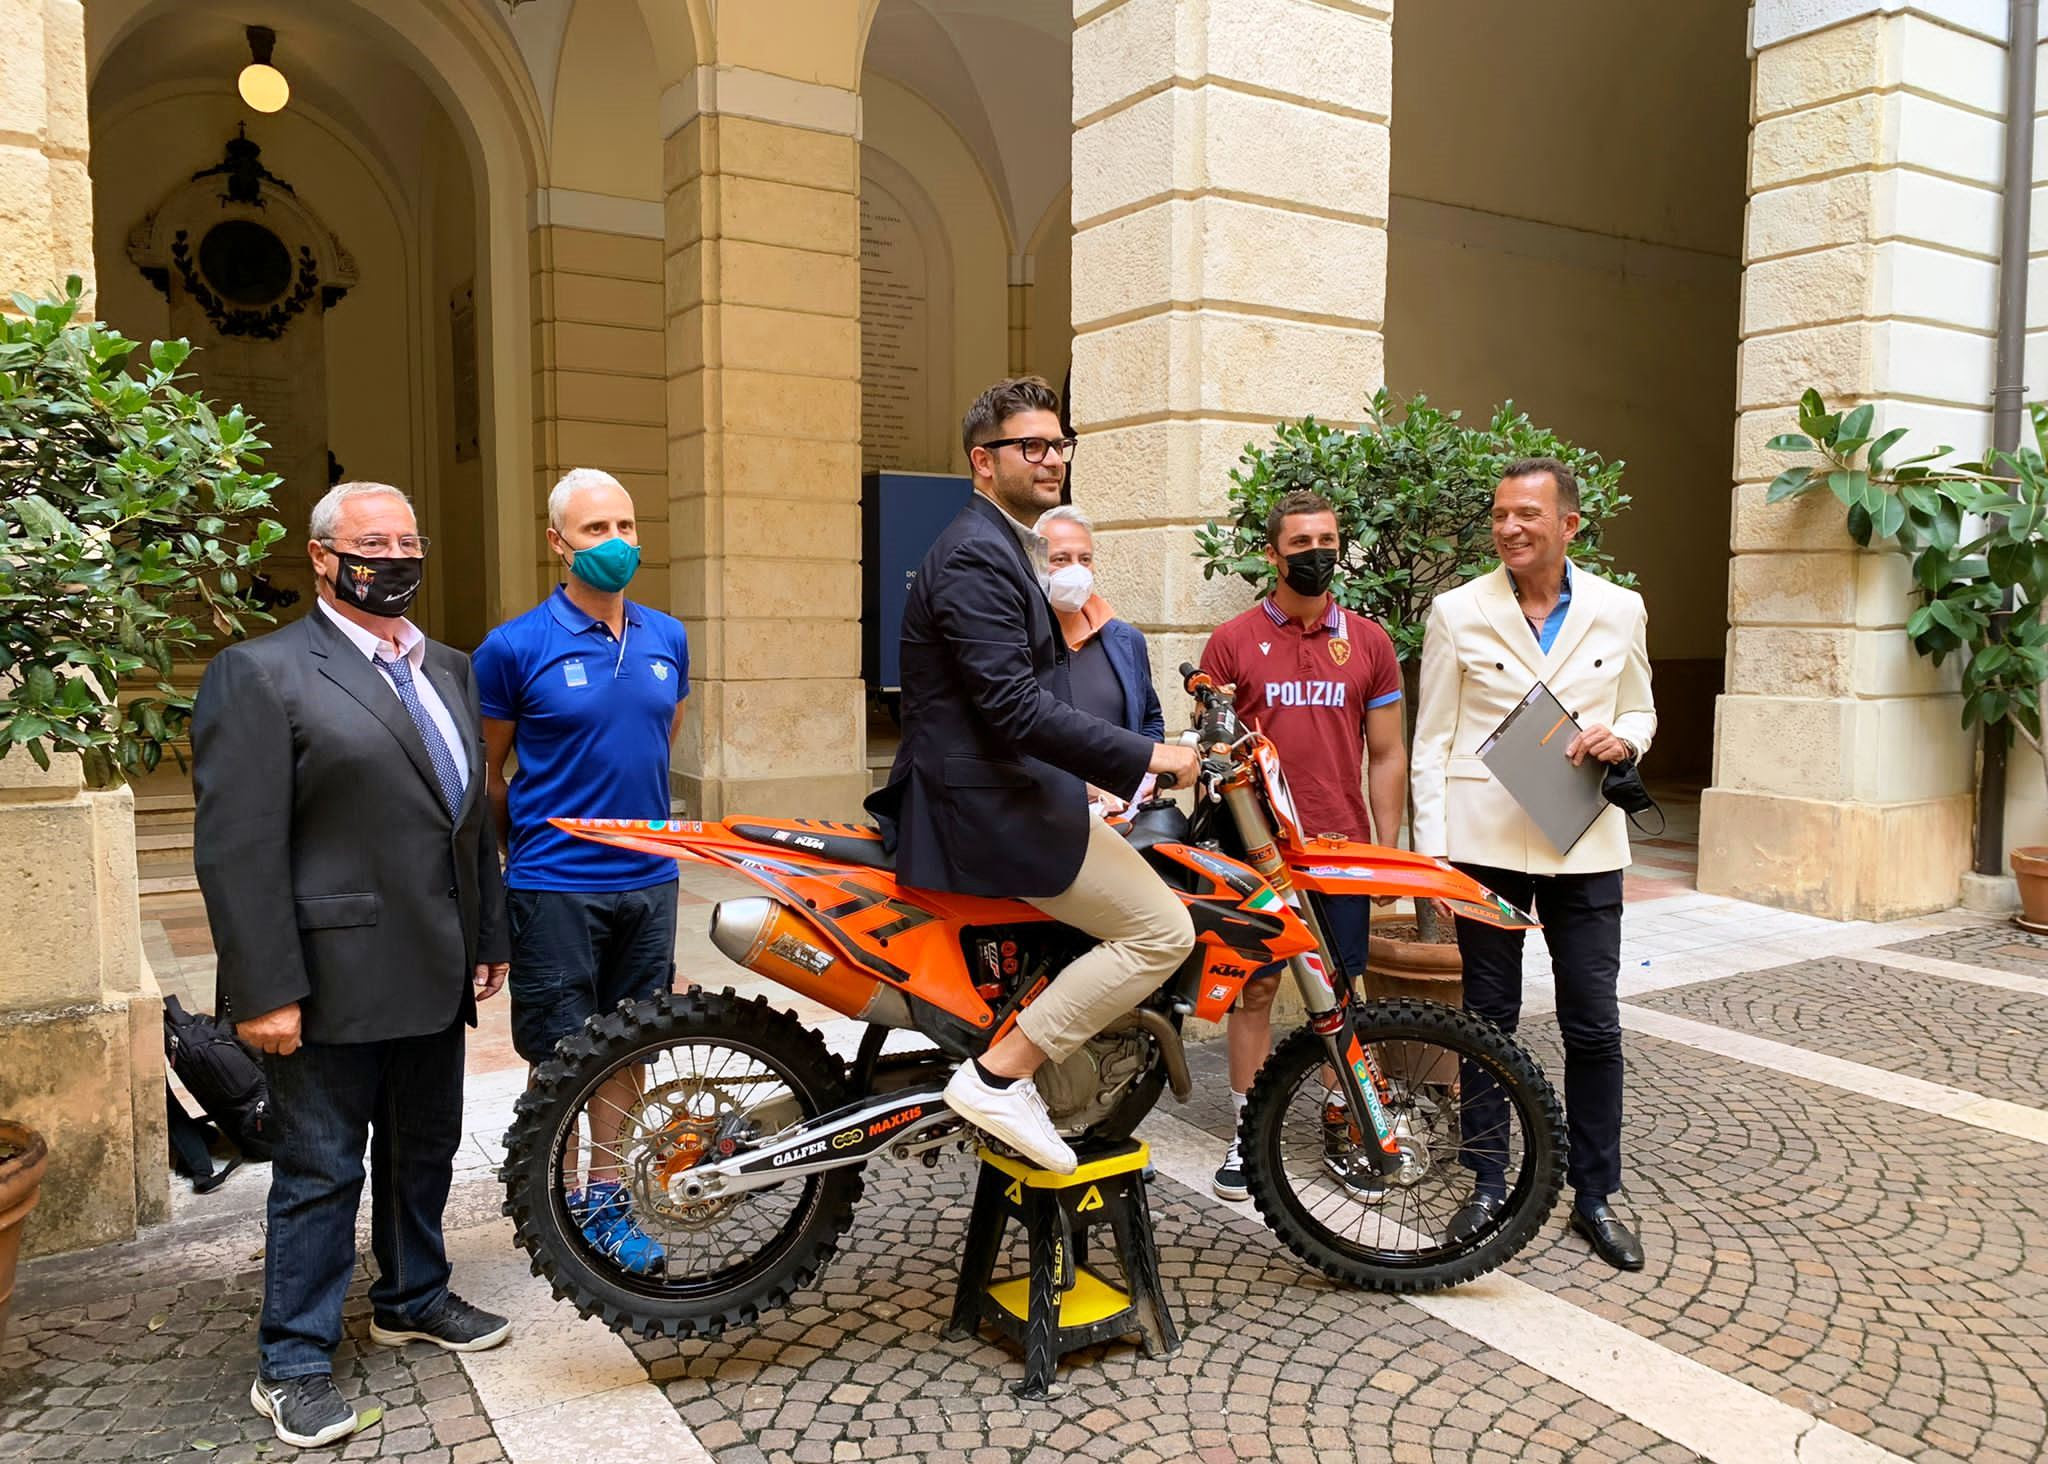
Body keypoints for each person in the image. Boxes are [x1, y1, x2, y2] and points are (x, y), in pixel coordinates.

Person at [191, 482, 512, 1451]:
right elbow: (239, 847)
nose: (396, 558)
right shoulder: (262, 673)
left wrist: (488, 937)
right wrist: (265, 990)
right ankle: (292, 1361)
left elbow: (468, 822)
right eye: (375, 543)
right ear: (324, 557)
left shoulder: (448, 666)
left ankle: (414, 1296)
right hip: (327, 983)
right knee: (320, 1171)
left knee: (424, 1149)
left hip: (432, 967)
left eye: (409, 541)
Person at [867, 376, 1200, 1174]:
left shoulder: (1004, 545)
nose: (1052, 458)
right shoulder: (976, 554)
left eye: (1059, 444)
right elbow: (1014, 708)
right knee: (1162, 931)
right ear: (983, 461)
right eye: (1031, 445)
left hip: (1012, 793)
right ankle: (999, 1076)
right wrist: (1149, 756)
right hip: (988, 811)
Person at [1410, 456, 1657, 1272]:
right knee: (1487, 1020)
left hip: (1585, 838)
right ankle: (1487, 1181)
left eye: (1526, 514)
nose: (1509, 528)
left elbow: (1640, 705)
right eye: (1499, 514)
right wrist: (1434, 857)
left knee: (1594, 1023)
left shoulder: (1621, 608)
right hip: (1485, 843)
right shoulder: (1457, 610)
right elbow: (1432, 740)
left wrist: (1626, 738)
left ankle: (1595, 1194)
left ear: (1568, 525)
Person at [473, 468, 690, 1277]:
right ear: (558, 542)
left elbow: (658, 741)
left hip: (649, 880)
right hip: (555, 884)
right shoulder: (513, 648)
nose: (616, 543)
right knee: (562, 1053)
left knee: (630, 1048)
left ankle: (606, 1199)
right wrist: (521, 852)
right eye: (596, 529)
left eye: (626, 526)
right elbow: (489, 775)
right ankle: (552, 1200)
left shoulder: (669, 638)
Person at [1197, 490, 1406, 1201]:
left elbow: (1386, 754)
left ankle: (1345, 1126)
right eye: (1300, 543)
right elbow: (1214, 753)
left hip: (1339, 846)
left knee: (1342, 991)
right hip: (1253, 851)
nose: (1317, 553)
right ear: (1273, 554)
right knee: (1255, 989)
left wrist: (1387, 853)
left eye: (1327, 540)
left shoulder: (1370, 643)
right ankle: (1248, 1133)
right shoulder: (1231, 642)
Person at [1033, 504, 1164, 815]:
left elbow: (1150, 719)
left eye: (1085, 559)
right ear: (1033, 563)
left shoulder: (1126, 640)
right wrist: (1085, 790)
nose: (1076, 570)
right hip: (1040, 815)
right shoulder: (1017, 640)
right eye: (1060, 559)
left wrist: (1146, 776)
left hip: (1121, 817)